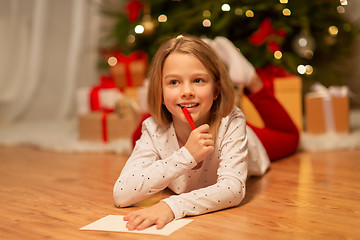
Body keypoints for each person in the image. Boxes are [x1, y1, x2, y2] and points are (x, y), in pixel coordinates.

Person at [114, 35, 298, 231]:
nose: (187, 91)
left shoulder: (233, 122)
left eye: (198, 80)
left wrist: (171, 205)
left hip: (242, 137)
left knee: (291, 138)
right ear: (159, 91)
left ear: (216, 89)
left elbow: (233, 189)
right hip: (170, 121)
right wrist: (187, 156)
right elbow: (121, 194)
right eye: (174, 82)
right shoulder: (153, 128)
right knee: (139, 134)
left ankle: (250, 78)